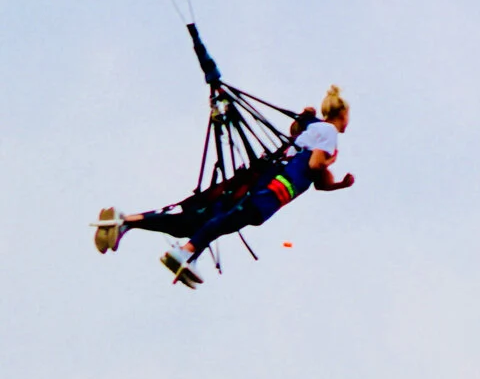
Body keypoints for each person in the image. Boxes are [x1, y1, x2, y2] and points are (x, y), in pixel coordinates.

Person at [94, 85, 355, 286]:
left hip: (261, 176)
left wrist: (340, 184)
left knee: (193, 220)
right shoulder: (329, 133)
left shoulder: (314, 128)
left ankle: (125, 221)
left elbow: (313, 167)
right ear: (342, 114)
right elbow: (315, 166)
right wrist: (329, 160)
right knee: (230, 219)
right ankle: (185, 253)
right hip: (275, 188)